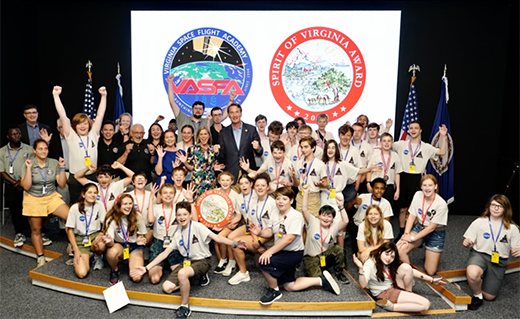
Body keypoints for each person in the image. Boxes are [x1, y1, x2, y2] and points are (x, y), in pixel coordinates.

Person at [130, 201, 247, 319]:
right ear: (176, 217)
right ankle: (197, 277)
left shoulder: (198, 226)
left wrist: (234, 243)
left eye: (185, 214)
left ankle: (184, 306)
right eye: (179, 215)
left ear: (190, 215)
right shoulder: (177, 234)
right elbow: (164, 254)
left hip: (202, 260)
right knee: (167, 288)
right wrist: (146, 268)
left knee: (182, 273)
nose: (182, 217)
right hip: (188, 262)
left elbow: (217, 237)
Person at [250, 187, 340, 305]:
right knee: (289, 286)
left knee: (264, 262)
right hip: (282, 251)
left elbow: (289, 238)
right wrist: (260, 233)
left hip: (293, 254)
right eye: (278, 198)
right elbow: (270, 231)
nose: (280, 201)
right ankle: (321, 281)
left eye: (284, 198)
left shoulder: (296, 216)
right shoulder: (274, 212)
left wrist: (269, 251)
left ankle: (274, 290)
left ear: (291, 201)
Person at [462, 194, 520, 310]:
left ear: (506, 209)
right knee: (473, 273)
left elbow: (516, 248)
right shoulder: (479, 222)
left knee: (489, 296)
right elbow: (468, 240)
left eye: (500, 206)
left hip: (499, 260)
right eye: (493, 205)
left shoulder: (512, 228)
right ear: (489, 206)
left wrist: (518, 251)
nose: (496, 208)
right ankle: (477, 296)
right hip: (479, 255)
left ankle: (484, 279)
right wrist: (467, 242)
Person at [353, 242, 446, 312]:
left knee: (406, 267)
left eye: (392, 256)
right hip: (385, 293)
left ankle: (407, 295)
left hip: (392, 285)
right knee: (425, 304)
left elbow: (411, 271)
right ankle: (391, 307)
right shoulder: (370, 263)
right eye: (387, 254)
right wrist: (361, 269)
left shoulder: (388, 262)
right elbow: (364, 284)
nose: (389, 258)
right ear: (380, 251)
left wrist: (432, 280)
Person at [393, 121, 448, 240]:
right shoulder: (401, 145)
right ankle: (402, 232)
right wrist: (387, 129)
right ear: (408, 130)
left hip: (418, 178)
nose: (413, 130)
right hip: (403, 177)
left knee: (417, 208)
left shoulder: (426, 147)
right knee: (402, 209)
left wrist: (443, 136)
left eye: (416, 128)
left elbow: (442, 152)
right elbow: (385, 144)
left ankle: (416, 233)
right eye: (411, 128)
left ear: (420, 131)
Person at [52, 85, 107, 203]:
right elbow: (63, 115)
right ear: (75, 126)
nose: (83, 126)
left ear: (89, 125)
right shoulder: (71, 135)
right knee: (77, 206)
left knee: (94, 205)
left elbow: (100, 115)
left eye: (85, 124)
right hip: (75, 177)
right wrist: (56, 96)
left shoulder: (93, 134)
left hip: (91, 177)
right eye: (79, 124)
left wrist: (103, 96)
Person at [20, 139, 69, 266]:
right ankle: (40, 256)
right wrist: (29, 169)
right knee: (36, 229)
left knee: (71, 217)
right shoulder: (27, 163)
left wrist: (62, 167)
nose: (43, 151)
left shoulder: (53, 162)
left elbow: (62, 183)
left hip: (51, 196)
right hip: (33, 197)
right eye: (40, 149)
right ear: (34, 151)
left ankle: (73, 246)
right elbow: (26, 186)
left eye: (45, 148)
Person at [227, 173, 276, 285]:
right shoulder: (253, 201)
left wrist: (259, 243)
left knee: (262, 266)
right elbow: (250, 223)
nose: (259, 188)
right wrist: (255, 240)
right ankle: (243, 273)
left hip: (271, 240)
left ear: (268, 187)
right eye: (257, 185)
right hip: (257, 238)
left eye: (263, 185)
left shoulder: (273, 204)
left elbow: (274, 230)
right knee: (235, 243)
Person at [145, 183, 197, 284]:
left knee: (183, 277)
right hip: (158, 243)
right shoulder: (156, 207)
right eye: (165, 193)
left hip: (175, 244)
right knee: (155, 279)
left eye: (171, 193)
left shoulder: (179, 208)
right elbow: (150, 220)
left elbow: (195, 220)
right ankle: (161, 266)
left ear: (174, 195)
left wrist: (190, 201)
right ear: (160, 194)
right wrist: (151, 200)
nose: (168, 195)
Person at [396, 174, 448, 275]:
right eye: (424, 185)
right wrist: (406, 234)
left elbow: (431, 228)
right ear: (421, 187)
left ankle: (429, 251)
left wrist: (411, 239)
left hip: (435, 233)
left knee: (430, 271)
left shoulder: (441, 204)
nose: (427, 188)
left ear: (435, 186)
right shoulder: (418, 195)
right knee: (400, 249)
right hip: (420, 227)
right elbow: (411, 216)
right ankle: (410, 274)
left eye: (430, 185)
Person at [301, 184, 350, 284]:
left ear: (332, 219)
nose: (326, 218)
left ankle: (339, 272)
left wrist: (341, 206)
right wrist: (306, 193)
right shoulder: (312, 221)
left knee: (339, 249)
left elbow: (345, 221)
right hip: (311, 258)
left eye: (329, 216)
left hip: (325, 256)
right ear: (319, 216)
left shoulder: (333, 227)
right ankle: (317, 272)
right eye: (323, 215)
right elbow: (304, 209)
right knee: (319, 280)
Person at [100, 193, 148, 285]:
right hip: (120, 245)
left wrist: (140, 239)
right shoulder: (111, 218)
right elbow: (110, 244)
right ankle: (115, 270)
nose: (128, 206)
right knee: (111, 253)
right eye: (125, 204)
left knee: (136, 277)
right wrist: (109, 242)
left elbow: (142, 234)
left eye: (130, 204)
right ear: (118, 205)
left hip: (134, 246)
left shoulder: (137, 215)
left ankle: (128, 260)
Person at [65, 183, 107, 277]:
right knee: (81, 273)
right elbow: (69, 230)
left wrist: (102, 233)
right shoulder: (75, 208)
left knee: (101, 245)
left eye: (95, 193)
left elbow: (105, 222)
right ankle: (87, 254)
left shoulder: (99, 205)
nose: (93, 195)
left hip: (94, 236)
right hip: (80, 239)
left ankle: (97, 255)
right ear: (83, 194)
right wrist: (76, 250)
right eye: (90, 192)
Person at [0, 127, 32, 247]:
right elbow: (1, 171)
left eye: (18, 133)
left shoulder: (29, 149)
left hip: (27, 183)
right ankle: (19, 232)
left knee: (28, 207)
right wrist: (14, 182)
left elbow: (33, 166)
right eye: (13, 134)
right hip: (11, 184)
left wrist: (22, 182)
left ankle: (30, 230)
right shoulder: (2, 151)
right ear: (8, 137)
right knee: (15, 209)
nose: (16, 135)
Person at [217, 103, 263, 182]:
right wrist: (217, 152)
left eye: (237, 112)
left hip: (248, 172)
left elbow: (259, 152)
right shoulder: (223, 133)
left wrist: (258, 148)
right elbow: (221, 156)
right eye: (232, 112)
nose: (234, 115)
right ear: (228, 115)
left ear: (241, 114)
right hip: (231, 174)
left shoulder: (251, 130)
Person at [347, 178, 393, 254]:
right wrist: (353, 202)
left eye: (382, 189)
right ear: (372, 188)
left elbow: (386, 222)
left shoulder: (386, 203)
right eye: (377, 188)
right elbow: (348, 209)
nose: (379, 191)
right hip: (358, 226)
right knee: (357, 252)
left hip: (375, 229)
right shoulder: (363, 197)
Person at [180, 126, 224, 199]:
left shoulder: (213, 149)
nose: (203, 136)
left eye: (205, 134)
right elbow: (191, 168)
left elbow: (216, 162)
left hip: (211, 182)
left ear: (209, 135)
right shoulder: (192, 149)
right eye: (201, 134)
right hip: (197, 184)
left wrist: (217, 154)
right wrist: (185, 162)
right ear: (198, 136)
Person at [289, 136, 327, 217]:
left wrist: (320, 184)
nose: (303, 150)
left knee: (313, 224)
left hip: (313, 197)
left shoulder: (320, 164)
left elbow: (326, 184)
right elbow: (296, 184)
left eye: (306, 147)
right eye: (301, 147)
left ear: (313, 148)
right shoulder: (299, 163)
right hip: (300, 196)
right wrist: (294, 176)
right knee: (299, 222)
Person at [366, 133, 402, 206]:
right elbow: (369, 170)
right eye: (384, 141)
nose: (386, 143)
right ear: (380, 143)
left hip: (389, 186)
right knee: (374, 207)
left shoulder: (395, 156)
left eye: (389, 141)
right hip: (375, 185)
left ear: (392, 143)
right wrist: (368, 183)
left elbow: (397, 173)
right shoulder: (375, 154)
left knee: (387, 207)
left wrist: (397, 189)